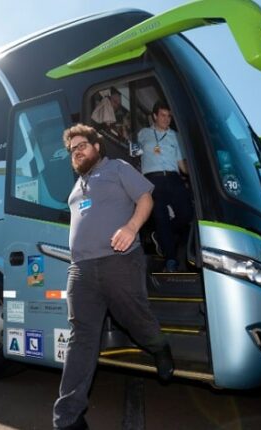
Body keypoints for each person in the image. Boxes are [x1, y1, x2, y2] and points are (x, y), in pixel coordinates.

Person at [53, 124, 174, 430]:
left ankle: (159, 346)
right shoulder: (75, 188)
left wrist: (131, 227)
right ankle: (68, 418)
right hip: (80, 270)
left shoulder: (117, 168)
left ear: (97, 147)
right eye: (72, 149)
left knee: (135, 318)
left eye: (82, 145)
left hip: (119, 261)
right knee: (80, 339)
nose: (77, 151)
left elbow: (146, 198)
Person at [137, 100, 193, 272]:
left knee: (187, 215)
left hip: (173, 178)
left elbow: (182, 165)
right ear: (154, 116)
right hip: (152, 181)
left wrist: (197, 173)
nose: (166, 119)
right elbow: (134, 153)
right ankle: (171, 261)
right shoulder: (143, 134)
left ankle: (161, 236)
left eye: (169, 116)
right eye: (163, 115)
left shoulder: (175, 136)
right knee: (161, 218)